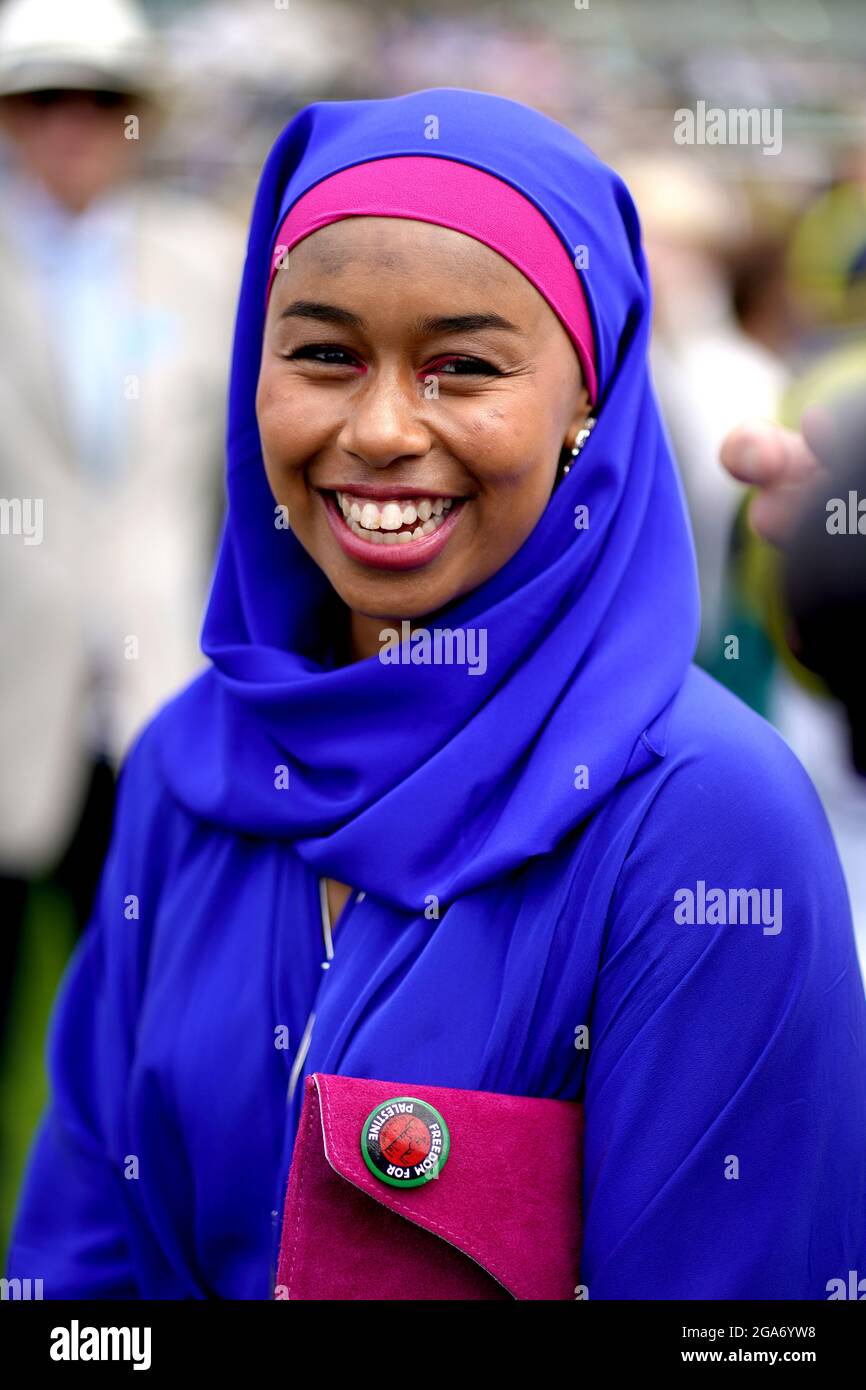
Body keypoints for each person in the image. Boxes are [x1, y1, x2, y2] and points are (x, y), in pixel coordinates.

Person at [5, 87, 866, 1301]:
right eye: (321, 354)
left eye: (462, 366)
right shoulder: (190, 767)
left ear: (590, 398)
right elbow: (77, 1256)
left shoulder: (698, 819)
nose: (379, 428)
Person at [0, 0, 243, 1058]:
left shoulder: (207, 264)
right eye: (44, 98)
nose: (73, 124)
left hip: (158, 690)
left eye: (101, 100)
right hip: (12, 692)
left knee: (155, 1030)